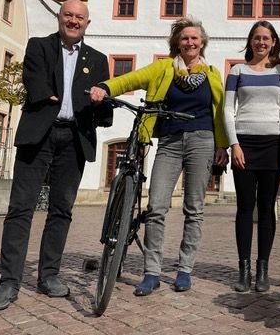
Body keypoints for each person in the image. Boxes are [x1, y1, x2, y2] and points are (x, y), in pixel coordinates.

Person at [0, 0, 113, 311]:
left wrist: (101, 98)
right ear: (60, 17)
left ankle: (49, 276)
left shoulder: (97, 60)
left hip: (74, 139)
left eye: (79, 17)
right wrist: (54, 96)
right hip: (39, 136)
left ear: (87, 23)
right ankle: (9, 281)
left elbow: (104, 110)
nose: (73, 21)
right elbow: (36, 83)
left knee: (61, 210)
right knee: (20, 208)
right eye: (68, 15)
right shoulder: (39, 47)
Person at [90, 17, 228, 295]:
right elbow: (131, 78)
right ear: (177, 42)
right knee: (156, 207)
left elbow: (221, 110)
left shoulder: (213, 73)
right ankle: (151, 271)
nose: (189, 42)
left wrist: (222, 146)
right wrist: (105, 87)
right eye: (185, 38)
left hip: (202, 140)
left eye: (195, 38)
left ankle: (185, 270)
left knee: (194, 209)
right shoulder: (164, 68)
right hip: (170, 141)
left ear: (202, 43)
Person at [224, 21, 280, 292]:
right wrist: (234, 144)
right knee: (244, 208)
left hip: (273, 144)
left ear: (273, 42)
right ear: (250, 41)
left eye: (266, 38)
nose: (261, 42)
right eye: (256, 38)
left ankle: (263, 267)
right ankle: (244, 269)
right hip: (245, 144)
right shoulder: (237, 71)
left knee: (266, 209)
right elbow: (228, 110)